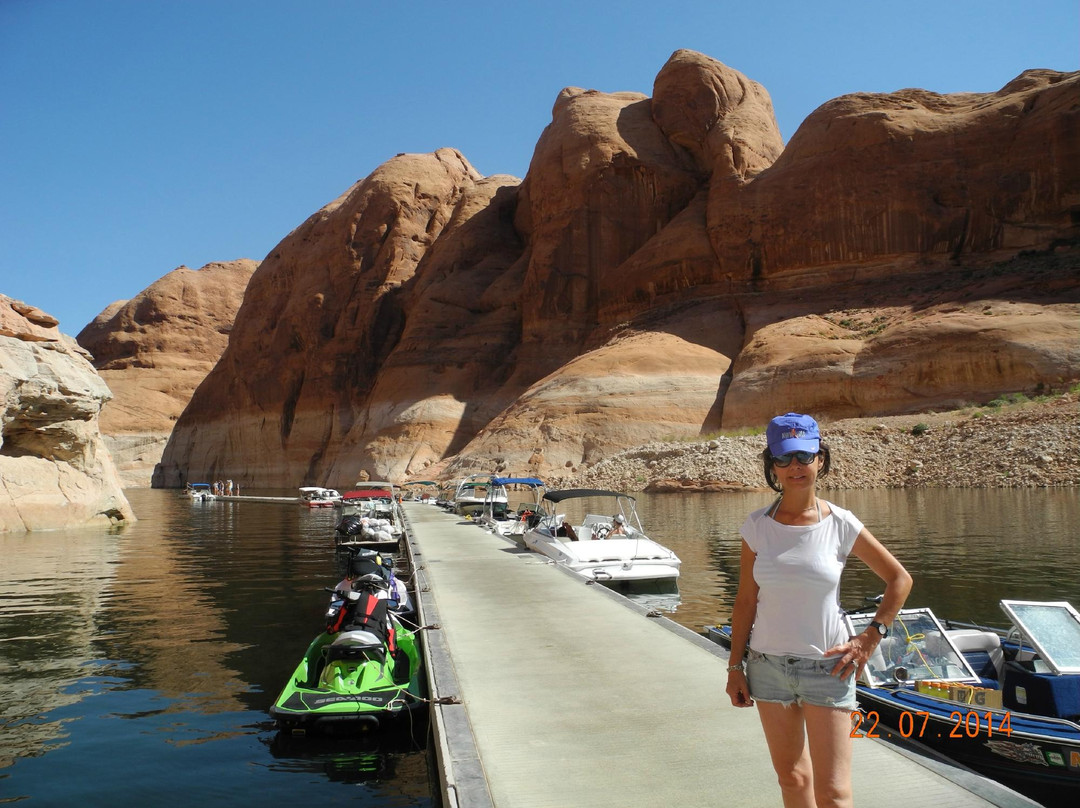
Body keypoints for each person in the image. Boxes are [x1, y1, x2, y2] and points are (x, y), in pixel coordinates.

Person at [725, 412, 911, 808]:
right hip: (767, 667)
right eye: (785, 458)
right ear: (771, 465)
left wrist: (869, 637)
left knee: (835, 794)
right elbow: (745, 601)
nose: (795, 467)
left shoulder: (840, 523)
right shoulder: (756, 526)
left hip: (829, 669)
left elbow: (900, 580)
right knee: (792, 780)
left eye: (804, 457)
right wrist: (734, 667)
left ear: (820, 460)